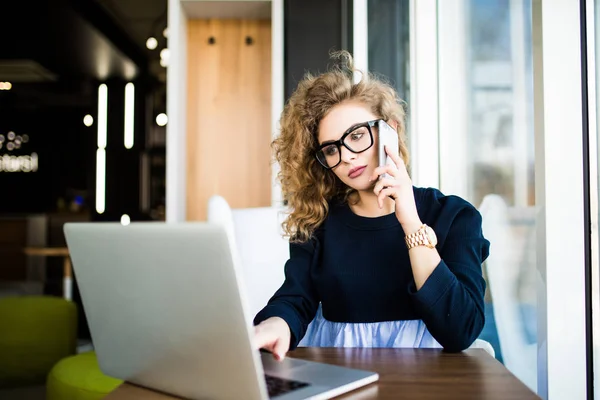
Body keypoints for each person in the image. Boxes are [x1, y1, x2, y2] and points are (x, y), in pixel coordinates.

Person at [253, 51, 490, 361]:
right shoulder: (318, 223)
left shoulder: (455, 216)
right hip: (339, 372)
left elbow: (461, 329)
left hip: (429, 380)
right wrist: (276, 325)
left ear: (391, 129)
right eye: (331, 148)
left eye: (357, 135)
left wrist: (411, 223)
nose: (347, 155)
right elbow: (294, 299)